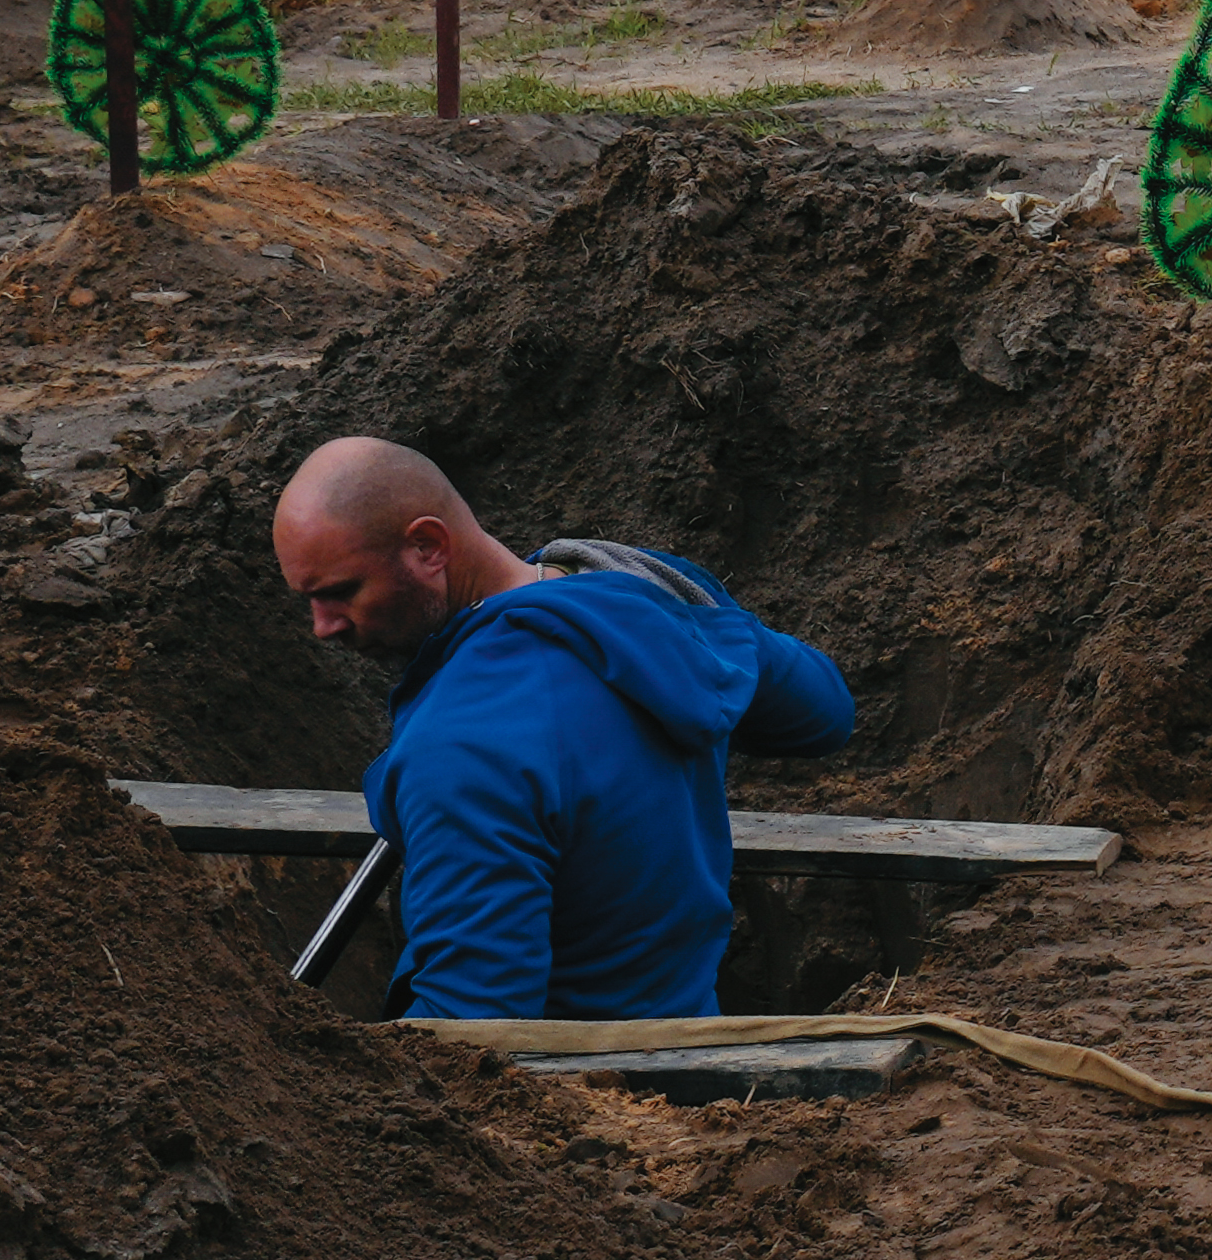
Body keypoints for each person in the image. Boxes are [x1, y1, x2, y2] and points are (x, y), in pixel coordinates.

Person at [265, 436, 859, 1022]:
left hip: (577, 1098)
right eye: (308, 601)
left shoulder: (459, 749)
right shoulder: (634, 613)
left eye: (341, 593)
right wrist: (674, 605)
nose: (322, 627)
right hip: (690, 1060)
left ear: (428, 547)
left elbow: (474, 1032)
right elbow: (823, 712)